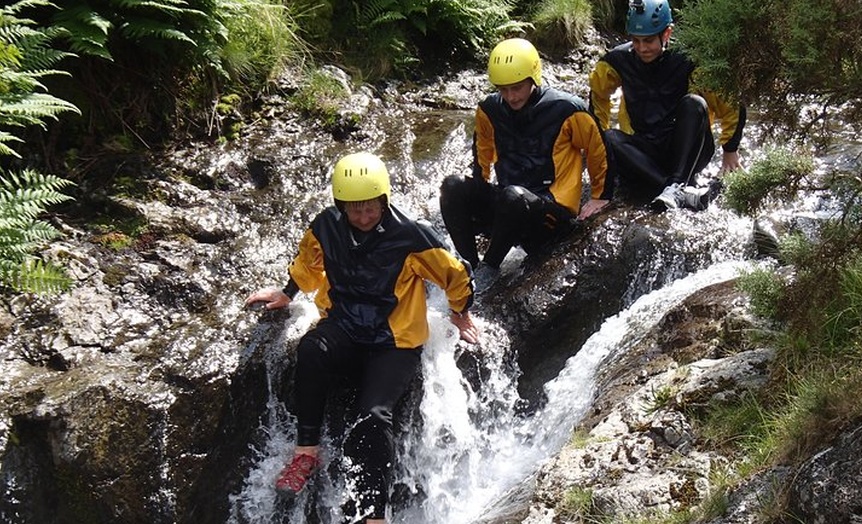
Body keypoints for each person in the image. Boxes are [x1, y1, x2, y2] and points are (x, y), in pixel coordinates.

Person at [245, 152, 479, 523]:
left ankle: (374, 516)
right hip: (346, 327)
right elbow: (308, 261)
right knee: (312, 348)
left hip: (394, 342)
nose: (364, 217)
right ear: (341, 206)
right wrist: (288, 293)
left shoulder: (412, 235)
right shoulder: (326, 226)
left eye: (371, 208)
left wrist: (460, 312)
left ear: (384, 200)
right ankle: (306, 452)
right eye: (354, 210)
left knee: (371, 417)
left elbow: (455, 273)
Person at [439, 38, 611, 292]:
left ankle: (489, 270)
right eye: (504, 89)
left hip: (551, 215)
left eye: (517, 88)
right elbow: (482, 153)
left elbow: (598, 149)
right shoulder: (489, 109)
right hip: (510, 209)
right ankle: (469, 267)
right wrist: (477, 194)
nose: (511, 96)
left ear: (533, 77)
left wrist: (600, 195)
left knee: (513, 196)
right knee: (452, 186)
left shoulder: (567, 108)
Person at [589, 0, 747, 211]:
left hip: (687, 149)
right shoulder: (617, 61)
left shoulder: (689, 59)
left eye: (649, 41)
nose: (642, 48)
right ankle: (674, 189)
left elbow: (729, 101)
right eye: (636, 41)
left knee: (694, 103)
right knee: (607, 137)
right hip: (645, 154)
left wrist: (730, 148)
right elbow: (598, 97)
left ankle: (675, 184)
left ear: (667, 34)